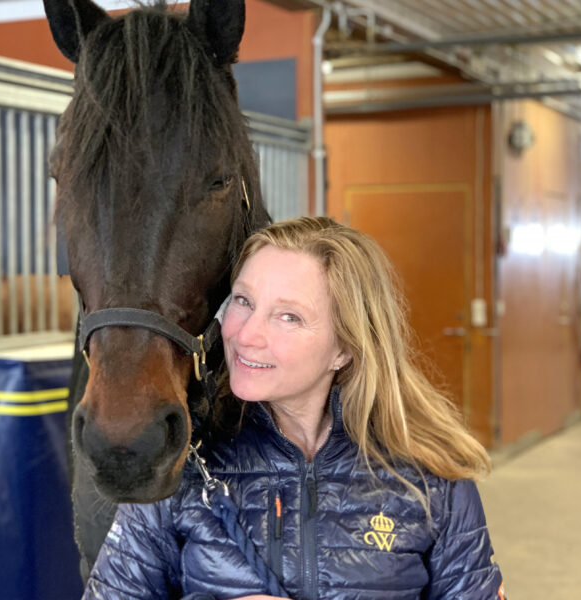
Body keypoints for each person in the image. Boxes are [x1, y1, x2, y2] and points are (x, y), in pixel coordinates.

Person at [83, 216, 505, 600]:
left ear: (345, 348)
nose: (246, 335)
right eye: (243, 301)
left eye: (288, 317)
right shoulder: (181, 459)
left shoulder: (431, 477)